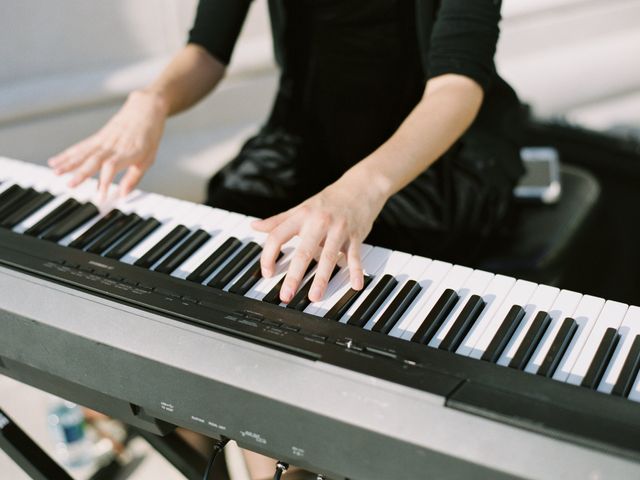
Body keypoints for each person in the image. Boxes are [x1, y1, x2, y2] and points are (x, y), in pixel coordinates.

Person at [49, 0, 524, 305]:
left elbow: (456, 86)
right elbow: (207, 51)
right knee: (231, 283)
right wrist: (153, 100)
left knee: (344, 295)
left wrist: (364, 188)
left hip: (427, 152)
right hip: (310, 131)